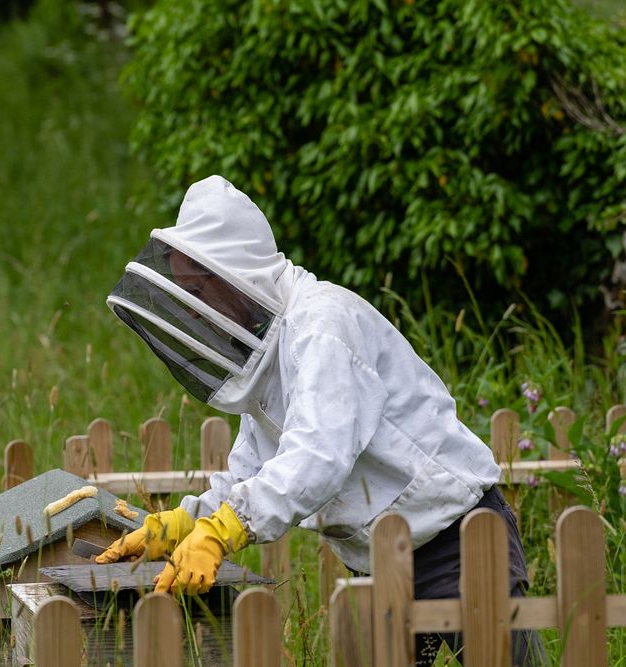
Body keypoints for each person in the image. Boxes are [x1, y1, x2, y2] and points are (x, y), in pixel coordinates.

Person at [97, 175, 546, 665]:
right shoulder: (269, 356)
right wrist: (190, 521)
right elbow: (258, 468)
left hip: (457, 542)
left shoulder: (322, 327)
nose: (198, 308)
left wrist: (228, 529)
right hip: (381, 561)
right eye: (188, 291)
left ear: (235, 270)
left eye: (201, 286)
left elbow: (318, 455)